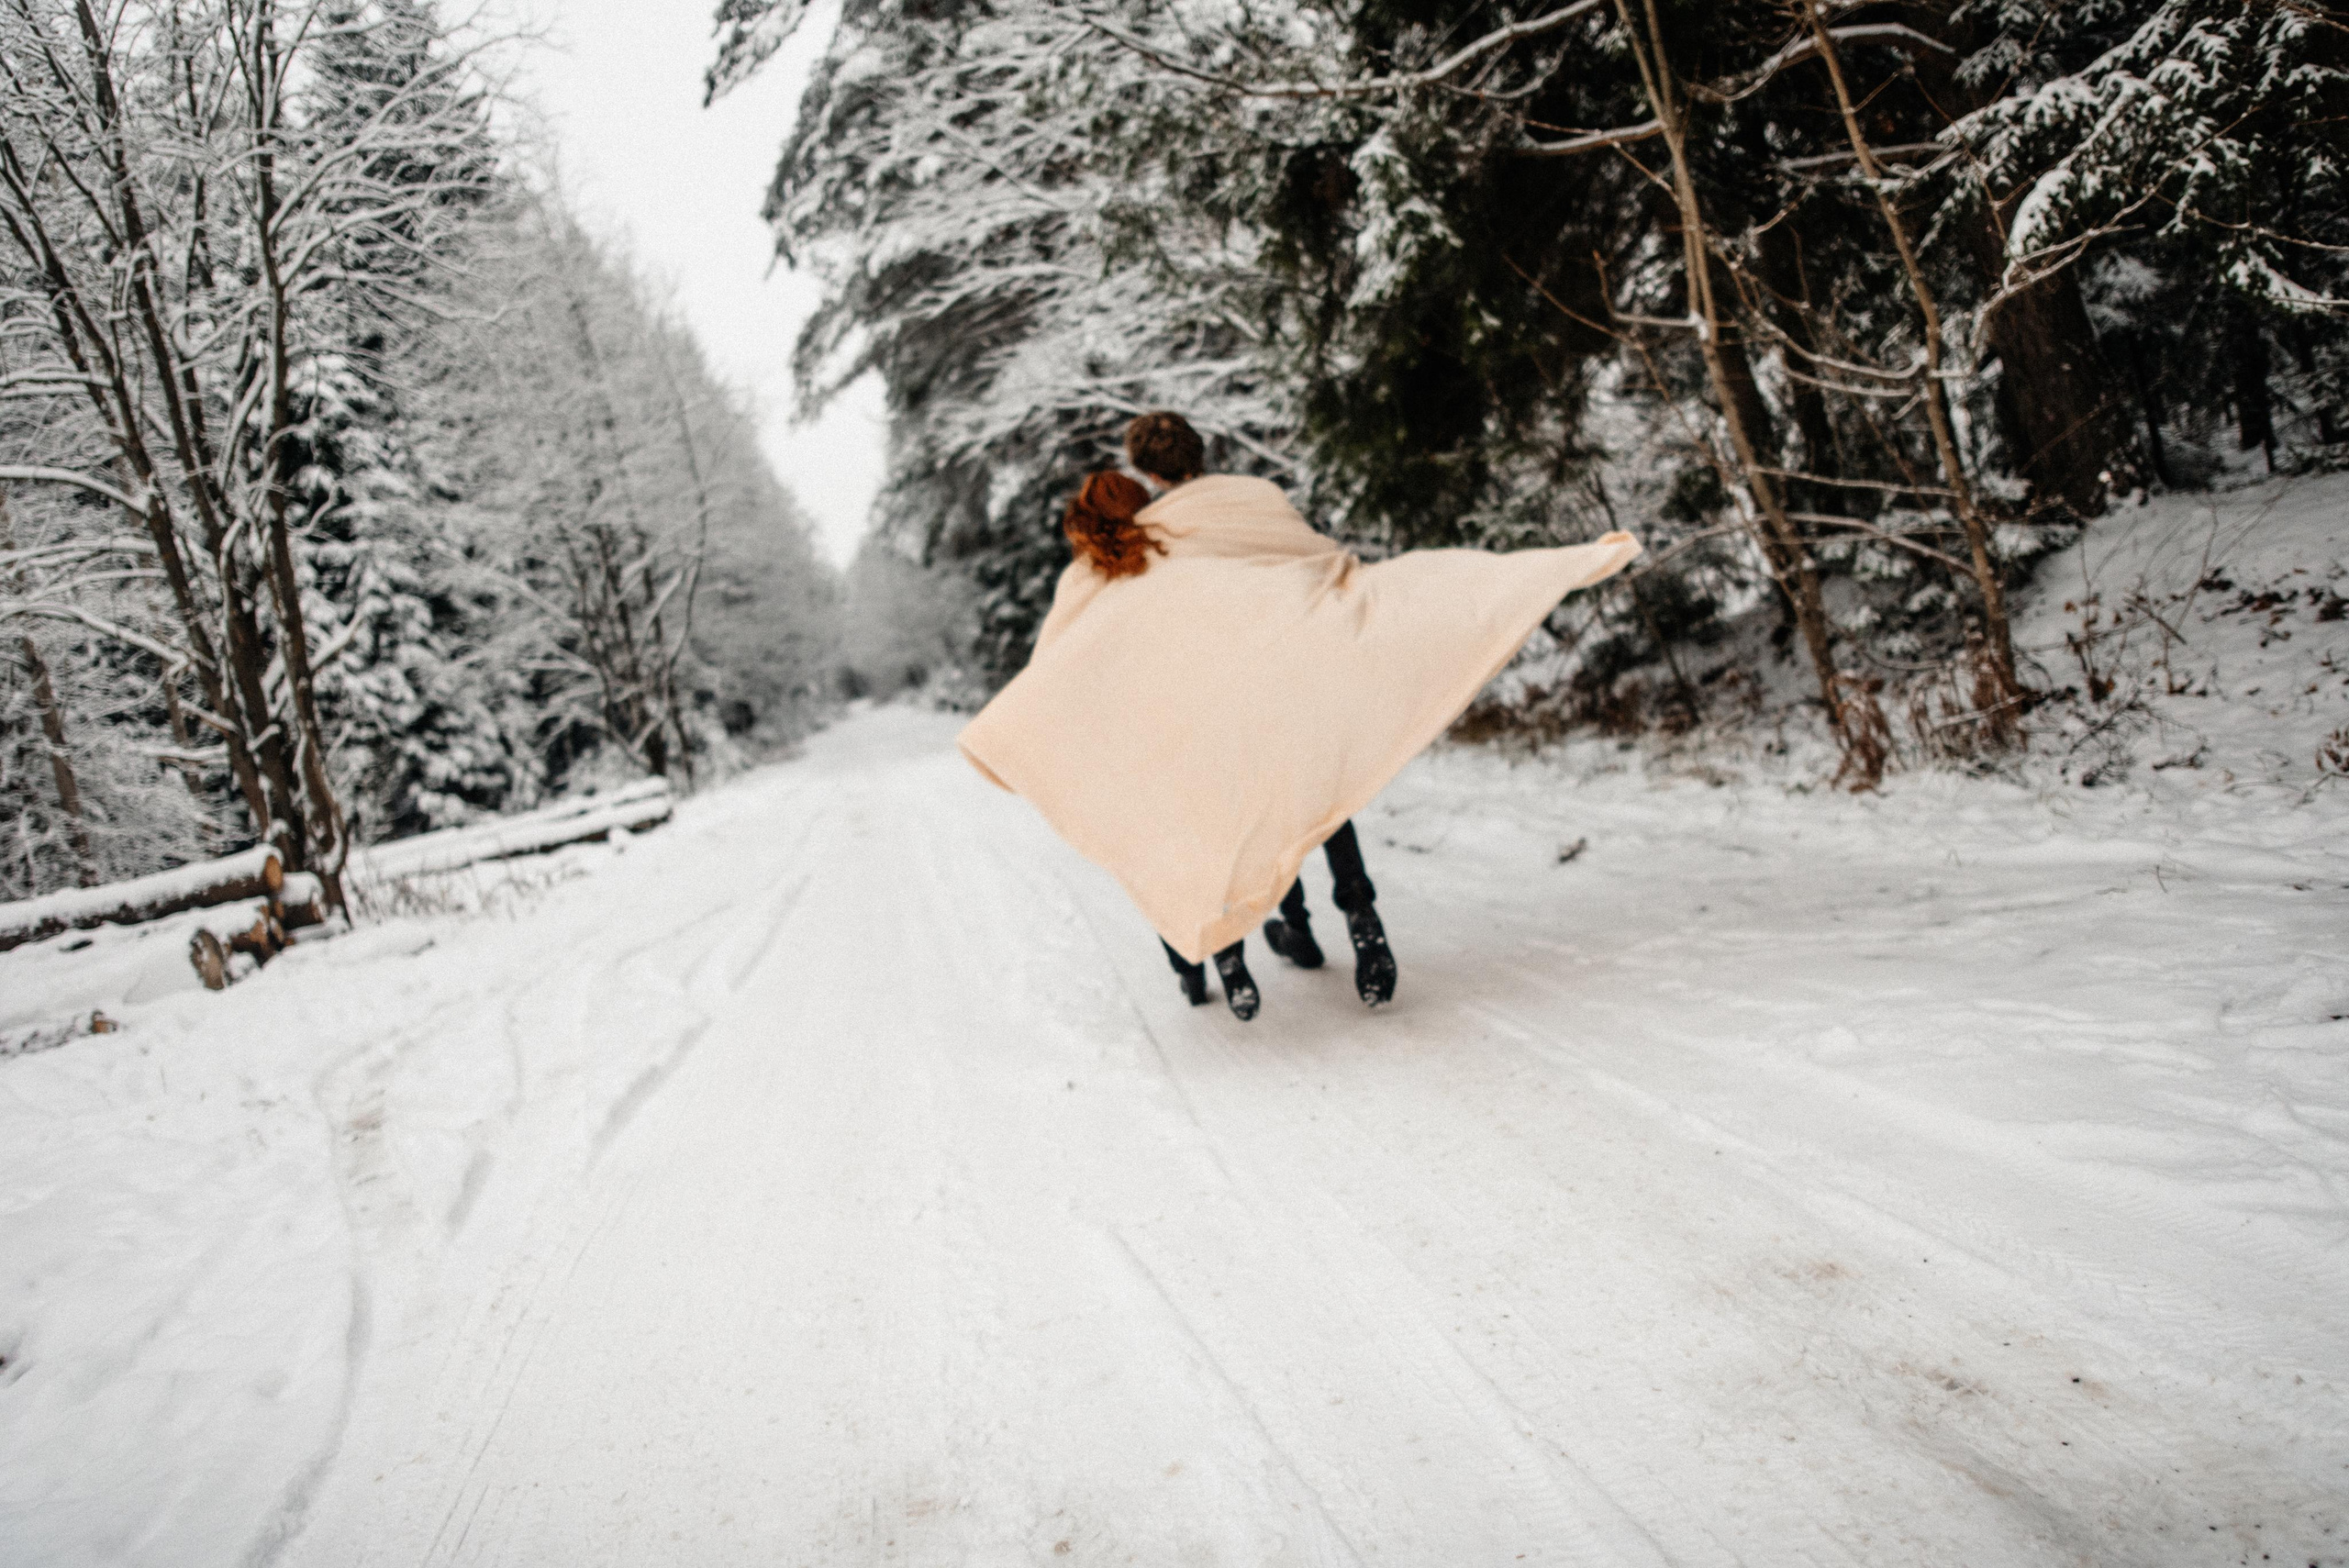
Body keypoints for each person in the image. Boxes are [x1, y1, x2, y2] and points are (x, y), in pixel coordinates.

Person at [959, 412, 1640, 1022]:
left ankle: (1234, 952)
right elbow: (1314, 561)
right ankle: (1359, 916)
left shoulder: (1150, 535)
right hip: (1289, 677)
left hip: (1212, 708)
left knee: (1233, 807)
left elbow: (1087, 641)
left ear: (1144, 471)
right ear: (1201, 451)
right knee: (1318, 789)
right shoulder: (1256, 499)